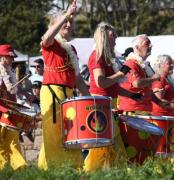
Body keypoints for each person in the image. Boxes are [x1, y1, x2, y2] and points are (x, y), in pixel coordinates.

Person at [38, 0, 90, 170]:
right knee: (54, 131)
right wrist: (66, 15)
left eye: (70, 22)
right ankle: (59, 169)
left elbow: (77, 79)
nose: (68, 24)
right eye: (65, 21)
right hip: (53, 91)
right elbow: (46, 37)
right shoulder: (51, 44)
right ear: (54, 25)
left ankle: (48, 168)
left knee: (69, 132)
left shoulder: (71, 49)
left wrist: (90, 98)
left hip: (69, 94)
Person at [84, 22, 132, 172]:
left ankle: (109, 173)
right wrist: (120, 74)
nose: (116, 37)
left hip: (108, 104)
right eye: (113, 35)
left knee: (108, 145)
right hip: (100, 105)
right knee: (105, 145)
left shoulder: (105, 57)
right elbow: (101, 82)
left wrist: (133, 95)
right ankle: (90, 173)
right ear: (103, 36)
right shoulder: (97, 56)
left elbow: (113, 87)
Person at [0, 44, 27, 170]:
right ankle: (3, 168)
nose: (12, 59)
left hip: (10, 109)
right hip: (1, 110)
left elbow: (14, 91)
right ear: (3, 57)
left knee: (13, 140)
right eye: (10, 57)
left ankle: (19, 167)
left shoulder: (10, 71)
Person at [118, 34, 161, 115]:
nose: (150, 46)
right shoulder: (130, 63)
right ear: (137, 47)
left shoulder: (142, 65)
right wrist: (153, 78)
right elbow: (137, 83)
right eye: (146, 43)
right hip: (133, 111)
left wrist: (160, 102)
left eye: (150, 44)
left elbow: (146, 90)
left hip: (143, 110)